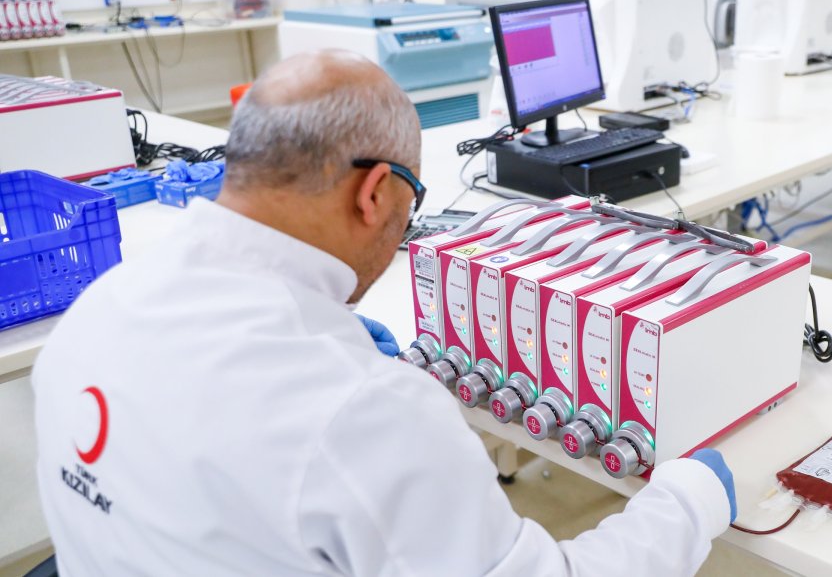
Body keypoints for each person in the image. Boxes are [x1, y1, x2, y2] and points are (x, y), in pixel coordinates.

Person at [33, 49, 737, 576]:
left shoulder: (96, 309)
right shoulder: (364, 409)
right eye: (411, 208)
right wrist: (690, 497)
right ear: (375, 193)